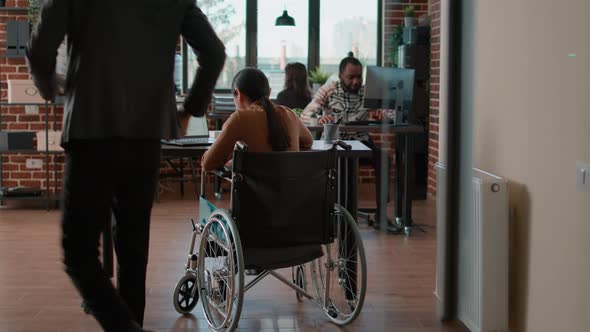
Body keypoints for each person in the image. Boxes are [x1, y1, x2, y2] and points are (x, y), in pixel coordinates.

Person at [26, 1, 226, 331]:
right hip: (146, 135)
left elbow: (40, 49)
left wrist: (49, 88)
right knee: (133, 251)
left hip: (92, 127)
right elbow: (214, 52)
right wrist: (191, 108)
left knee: (78, 252)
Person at [301, 54, 394, 230]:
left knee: (384, 160)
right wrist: (320, 118)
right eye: (350, 77)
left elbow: (391, 113)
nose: (355, 81)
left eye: (359, 76)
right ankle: (329, 214)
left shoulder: (367, 92)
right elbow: (306, 113)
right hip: (335, 143)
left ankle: (381, 215)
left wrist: (383, 115)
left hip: (362, 143)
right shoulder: (329, 89)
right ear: (340, 75)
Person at [202, 67, 313, 171]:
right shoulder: (289, 114)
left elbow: (207, 164)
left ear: (238, 94)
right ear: (269, 93)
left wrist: (233, 162)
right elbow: (308, 141)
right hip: (290, 190)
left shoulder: (239, 118)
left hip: (255, 191)